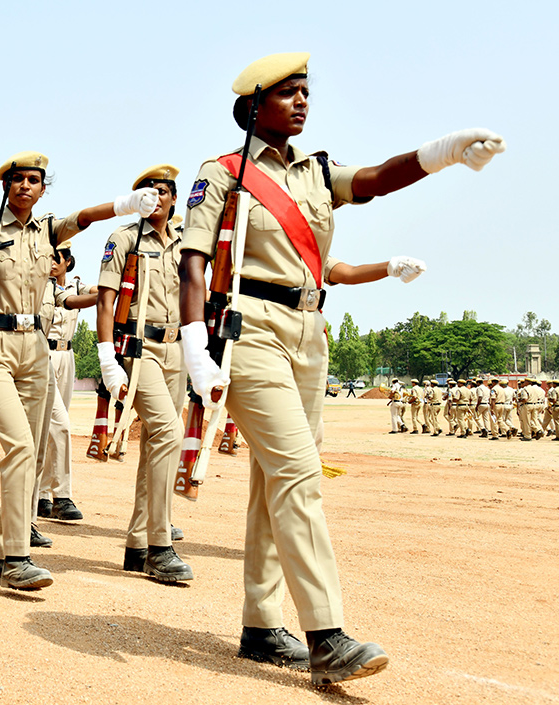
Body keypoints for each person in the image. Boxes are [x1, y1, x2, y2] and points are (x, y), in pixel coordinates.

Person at [177, 52, 503, 684]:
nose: (303, 101)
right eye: (289, 93)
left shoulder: (316, 172)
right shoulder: (221, 173)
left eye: (307, 92)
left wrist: (446, 153)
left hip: (310, 333)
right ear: (253, 105)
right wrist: (194, 343)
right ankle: (326, 634)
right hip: (249, 331)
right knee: (299, 473)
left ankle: (260, 623)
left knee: (276, 480)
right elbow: (193, 261)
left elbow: (377, 178)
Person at [0, 152, 160, 589]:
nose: (26, 186)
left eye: (35, 180)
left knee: (36, 449)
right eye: (18, 179)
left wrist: (126, 204)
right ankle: (15, 556)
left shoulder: (48, 229)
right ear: (6, 185)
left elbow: (84, 218)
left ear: (43, 188)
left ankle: (6, 555)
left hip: (36, 348)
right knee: (20, 447)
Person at [95, 164, 190, 581]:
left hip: (179, 349)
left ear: (173, 199)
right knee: (169, 433)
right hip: (140, 348)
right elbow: (104, 301)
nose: (157, 197)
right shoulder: (124, 240)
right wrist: (106, 360)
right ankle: (159, 544)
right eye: (148, 191)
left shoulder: (187, 243)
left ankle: (136, 544)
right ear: (139, 200)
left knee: (156, 444)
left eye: (164, 191)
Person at [40, 240, 95, 523]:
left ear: (67, 262)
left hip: (68, 355)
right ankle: (62, 496)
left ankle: (40, 495)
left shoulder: (75, 285)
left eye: (55, 258)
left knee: (51, 430)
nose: (50, 263)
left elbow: (97, 292)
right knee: (59, 425)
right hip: (44, 355)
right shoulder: (39, 287)